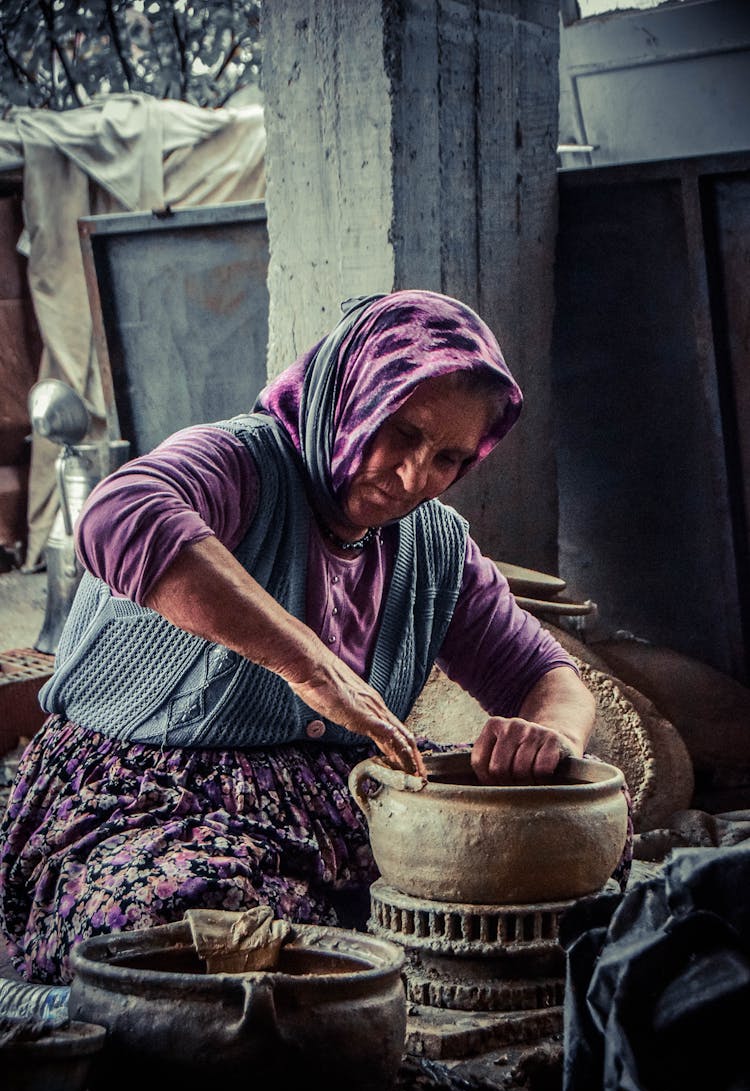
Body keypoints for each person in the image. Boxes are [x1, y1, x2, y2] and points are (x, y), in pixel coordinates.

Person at [0, 290, 598, 985]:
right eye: (401, 433)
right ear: (350, 397)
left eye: (448, 459)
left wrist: (546, 739)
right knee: (186, 924)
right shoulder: (237, 463)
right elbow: (118, 514)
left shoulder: (434, 545)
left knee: (571, 853)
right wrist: (311, 665)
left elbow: (547, 677)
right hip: (145, 791)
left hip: (326, 795)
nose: (414, 478)